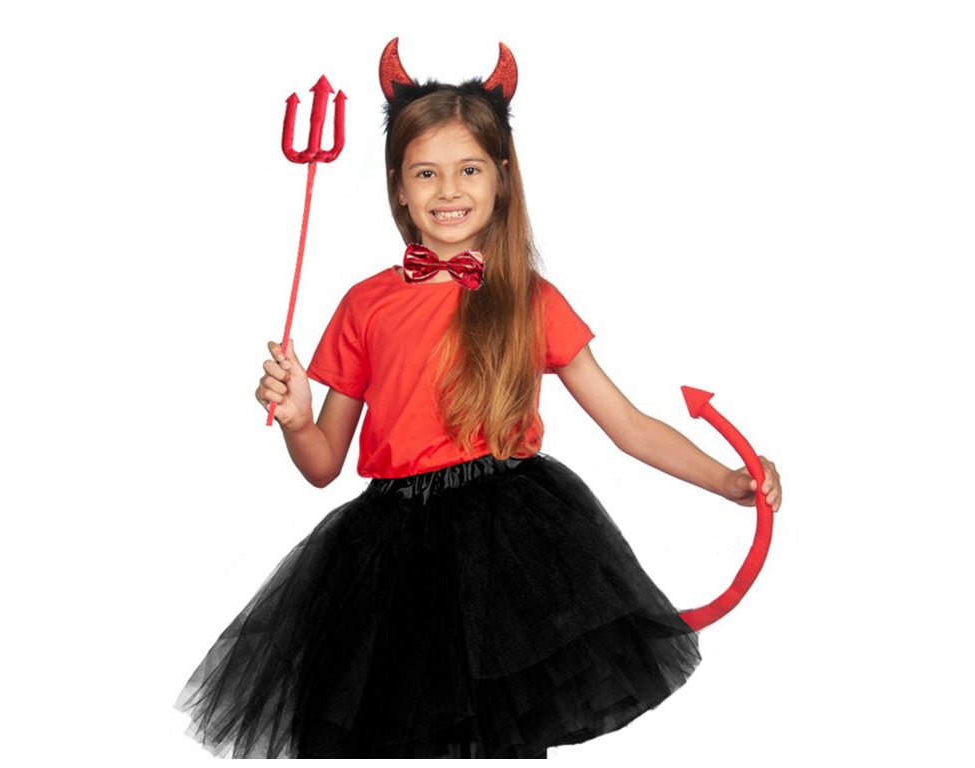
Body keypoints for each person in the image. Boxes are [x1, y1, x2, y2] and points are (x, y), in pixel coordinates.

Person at [175, 39, 782, 759]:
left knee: (495, 741)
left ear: (501, 178)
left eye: (468, 169)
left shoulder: (529, 300)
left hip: (505, 550)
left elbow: (628, 425)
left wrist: (727, 480)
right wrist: (299, 421)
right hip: (389, 559)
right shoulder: (365, 305)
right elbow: (322, 465)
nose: (448, 190)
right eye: (425, 172)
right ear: (398, 187)